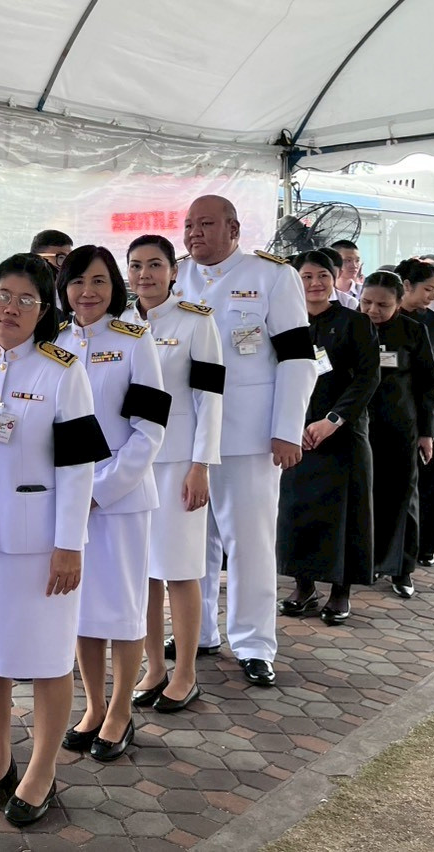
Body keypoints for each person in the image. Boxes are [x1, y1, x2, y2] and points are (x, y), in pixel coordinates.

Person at [0, 253, 109, 827]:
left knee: (51, 659)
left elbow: (78, 468)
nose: (11, 308)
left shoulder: (61, 370)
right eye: (3, 295)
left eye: (26, 299)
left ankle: (43, 769)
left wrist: (70, 543)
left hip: (40, 543)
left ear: (43, 310)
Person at [174, 196, 315, 687]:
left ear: (234, 228)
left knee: (249, 541)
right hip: (187, 434)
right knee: (196, 539)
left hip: (248, 433)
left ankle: (254, 643)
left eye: (206, 224)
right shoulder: (175, 277)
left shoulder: (272, 275)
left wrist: (286, 427)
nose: (194, 233)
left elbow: (299, 356)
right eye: (189, 224)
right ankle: (201, 631)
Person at [58, 246, 169, 761]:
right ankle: (94, 705)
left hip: (119, 501)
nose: (88, 291)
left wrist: (100, 490)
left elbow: (149, 430)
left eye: (99, 281)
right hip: (65, 505)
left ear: (114, 287)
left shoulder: (133, 340)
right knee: (80, 610)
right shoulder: (53, 342)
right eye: (78, 281)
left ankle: (121, 709)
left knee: (123, 609)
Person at [124, 235, 223, 713]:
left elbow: (210, 398)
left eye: (155, 265)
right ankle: (154, 666)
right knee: (142, 573)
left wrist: (201, 464)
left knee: (182, 571)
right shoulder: (118, 326)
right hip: (129, 467)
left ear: (173, 271)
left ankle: (185, 671)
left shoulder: (195, 323)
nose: (145, 274)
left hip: (179, 464)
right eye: (137, 265)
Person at [278, 250, 379, 625]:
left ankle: (341, 592)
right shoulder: (286, 323)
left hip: (343, 433)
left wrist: (332, 420)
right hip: (296, 433)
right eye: (306, 276)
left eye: (323, 275)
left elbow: (368, 378)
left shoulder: (354, 322)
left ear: (335, 278)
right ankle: (303, 587)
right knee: (296, 511)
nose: (315, 283)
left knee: (347, 514)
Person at [357, 271, 434, 599]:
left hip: (401, 426)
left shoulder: (413, 332)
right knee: (367, 497)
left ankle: (402, 568)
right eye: (367, 302)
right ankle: (371, 560)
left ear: (399, 302)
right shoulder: (352, 327)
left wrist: (427, 434)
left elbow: (427, 386)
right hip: (357, 426)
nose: (373, 310)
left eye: (382, 305)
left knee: (403, 497)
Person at [397, 259, 434, 566]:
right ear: (406, 286)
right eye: (426, 290)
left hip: (432, 407)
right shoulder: (382, 317)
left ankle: (429, 543)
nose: (431, 297)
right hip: (396, 406)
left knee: (433, 476)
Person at [330, 240, 363, 310]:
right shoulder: (324, 292)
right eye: (348, 260)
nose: (354, 265)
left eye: (357, 261)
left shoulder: (364, 291)